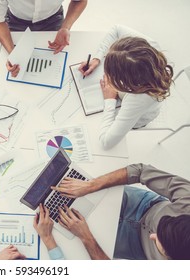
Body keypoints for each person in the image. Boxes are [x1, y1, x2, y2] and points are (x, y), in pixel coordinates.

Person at [53, 163, 190, 260]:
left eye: (159, 240)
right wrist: (92, 185)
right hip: (144, 204)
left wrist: (86, 237)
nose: (153, 235)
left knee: (68, 242)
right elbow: (141, 171)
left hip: (137, 246)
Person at [79, 25, 174, 149]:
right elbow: (116, 29)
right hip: (133, 99)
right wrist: (97, 58)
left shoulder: (138, 99)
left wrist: (110, 100)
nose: (107, 75)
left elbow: (106, 142)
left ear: (128, 82)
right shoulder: (146, 48)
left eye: (112, 75)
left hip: (138, 116)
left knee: (90, 124)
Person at [0, 0, 87, 77]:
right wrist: (13, 53)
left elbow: (79, 1)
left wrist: (65, 27)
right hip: (17, 21)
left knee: (52, 64)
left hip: (53, 19)